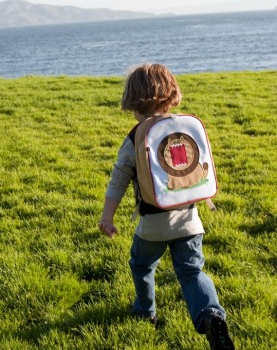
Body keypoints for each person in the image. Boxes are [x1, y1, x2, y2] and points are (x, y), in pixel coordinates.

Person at [99, 63, 235, 350]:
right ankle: (210, 314)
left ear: (134, 102)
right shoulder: (184, 128)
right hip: (189, 221)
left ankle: (145, 310)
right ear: (170, 94)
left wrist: (107, 216)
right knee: (192, 272)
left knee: (142, 264)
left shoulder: (137, 135)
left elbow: (119, 179)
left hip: (152, 225)